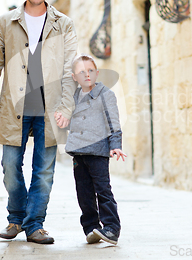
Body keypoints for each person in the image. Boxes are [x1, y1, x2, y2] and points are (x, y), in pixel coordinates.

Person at [0, 0, 77, 244]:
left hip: (50, 108)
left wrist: (66, 107)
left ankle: (34, 225)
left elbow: (70, 69)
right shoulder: (5, 22)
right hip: (15, 106)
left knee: (44, 172)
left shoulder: (64, 24)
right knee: (10, 167)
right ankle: (16, 216)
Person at [57, 54, 126, 245]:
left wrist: (116, 146)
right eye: (81, 72)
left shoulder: (106, 94)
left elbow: (114, 124)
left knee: (103, 190)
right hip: (79, 153)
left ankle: (112, 228)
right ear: (74, 77)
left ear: (97, 73)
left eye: (90, 70)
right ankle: (91, 228)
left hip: (97, 152)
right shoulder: (74, 97)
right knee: (83, 192)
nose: (87, 75)